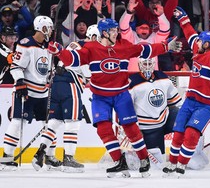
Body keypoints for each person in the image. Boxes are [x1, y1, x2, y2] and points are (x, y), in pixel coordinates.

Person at [47, 18, 181, 177]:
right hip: (100, 97)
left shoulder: (124, 46)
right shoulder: (91, 48)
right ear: (104, 33)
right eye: (113, 30)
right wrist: (59, 51)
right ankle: (119, 161)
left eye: (116, 29)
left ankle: (144, 159)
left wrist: (166, 46)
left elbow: (146, 50)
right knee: (103, 129)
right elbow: (71, 60)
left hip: (121, 95)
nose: (116, 32)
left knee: (130, 128)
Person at [162, 6, 210, 176]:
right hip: (190, 100)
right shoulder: (197, 50)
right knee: (178, 133)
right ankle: (171, 164)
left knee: (191, 134)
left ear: (207, 44)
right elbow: (190, 34)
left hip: (207, 104)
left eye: (200, 41)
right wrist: (183, 19)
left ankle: (181, 166)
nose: (196, 42)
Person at [31, 25, 99, 173]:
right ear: (94, 37)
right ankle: (68, 159)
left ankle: (39, 154)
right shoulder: (88, 48)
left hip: (55, 84)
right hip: (70, 84)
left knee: (55, 122)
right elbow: (88, 73)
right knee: (73, 122)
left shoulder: (73, 44)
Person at [0, 15, 61, 171]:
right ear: (41, 28)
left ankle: (49, 155)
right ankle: (6, 156)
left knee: (49, 123)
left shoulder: (50, 46)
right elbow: (15, 66)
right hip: (26, 91)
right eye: (48, 27)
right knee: (18, 121)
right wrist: (19, 82)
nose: (50, 31)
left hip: (43, 92)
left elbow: (50, 68)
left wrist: (55, 72)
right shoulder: (25, 44)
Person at [128, 58, 182, 160]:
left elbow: (175, 101)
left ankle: (190, 154)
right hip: (148, 127)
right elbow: (127, 107)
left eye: (149, 63)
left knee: (186, 118)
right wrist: (132, 126)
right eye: (145, 63)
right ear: (139, 64)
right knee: (158, 162)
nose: (147, 66)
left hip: (165, 119)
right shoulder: (132, 81)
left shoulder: (162, 77)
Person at [119, 0, 170, 71]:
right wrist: (129, 12)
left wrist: (161, 15)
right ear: (136, 29)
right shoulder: (131, 38)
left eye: (146, 28)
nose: (144, 30)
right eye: (141, 28)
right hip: (134, 76)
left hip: (152, 76)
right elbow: (123, 26)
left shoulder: (154, 39)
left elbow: (165, 30)